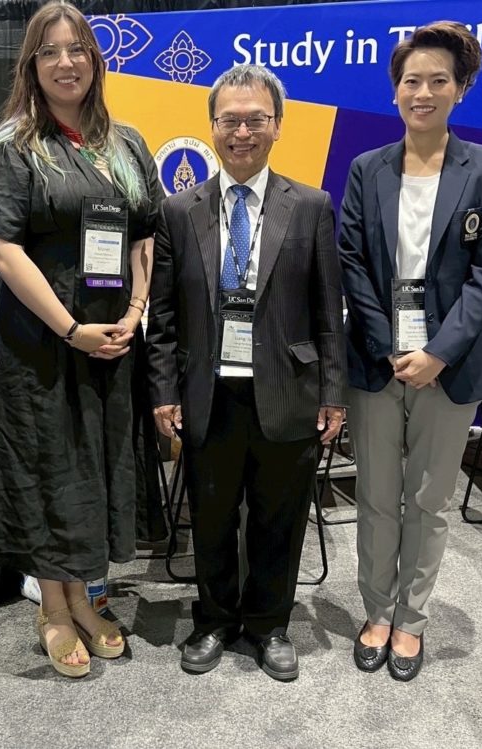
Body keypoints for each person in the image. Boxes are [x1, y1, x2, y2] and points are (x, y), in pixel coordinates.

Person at [0, 0, 162, 678]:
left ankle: (83, 596)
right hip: (41, 345)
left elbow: (144, 233)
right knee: (50, 467)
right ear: (31, 66)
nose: (65, 62)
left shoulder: (126, 144)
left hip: (111, 341)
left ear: (95, 60)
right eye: (49, 51)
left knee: (94, 467)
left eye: (77, 48)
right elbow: (4, 251)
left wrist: (135, 309)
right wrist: (71, 328)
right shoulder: (14, 148)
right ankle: (52, 607)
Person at [146, 64, 346, 681]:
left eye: (255, 119)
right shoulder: (178, 210)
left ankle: (268, 625)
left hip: (288, 390)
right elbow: (164, 315)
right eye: (229, 120)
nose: (242, 132)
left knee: (278, 518)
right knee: (210, 516)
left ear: (278, 126)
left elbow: (328, 311)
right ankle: (213, 620)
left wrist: (333, 393)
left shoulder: (310, 206)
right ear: (211, 126)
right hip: (207, 393)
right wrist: (163, 391)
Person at [338, 21, 482, 681]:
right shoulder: (367, 169)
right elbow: (352, 262)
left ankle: (411, 619)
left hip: (452, 364)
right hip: (377, 361)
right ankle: (377, 611)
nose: (423, 92)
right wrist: (388, 346)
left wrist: (438, 353)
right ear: (395, 90)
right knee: (377, 497)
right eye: (412, 80)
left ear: (460, 89)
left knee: (431, 500)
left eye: (438, 80)